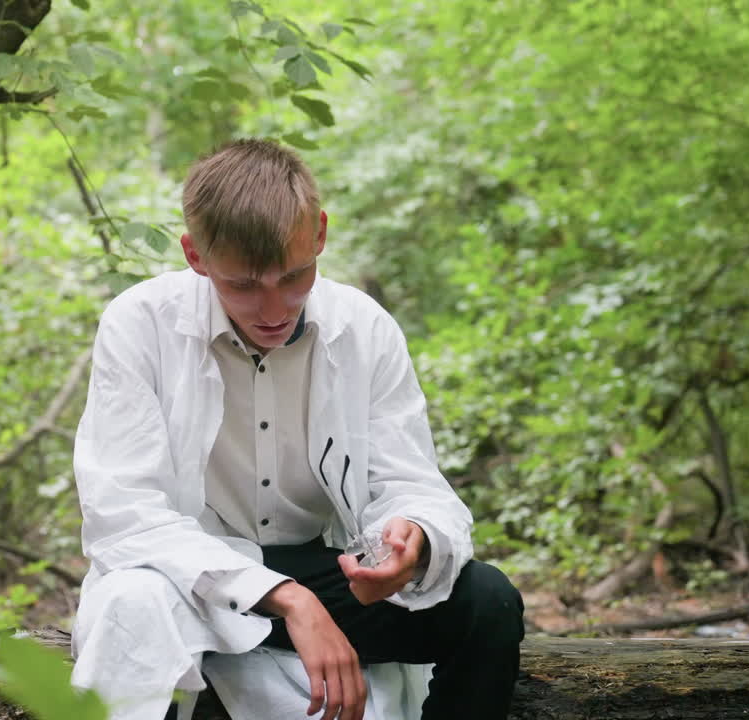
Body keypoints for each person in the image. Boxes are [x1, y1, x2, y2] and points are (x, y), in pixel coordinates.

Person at [69, 139, 524, 720]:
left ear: (321, 236)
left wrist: (413, 534)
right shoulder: (140, 325)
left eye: (295, 275)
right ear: (195, 255)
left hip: (330, 573)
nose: (274, 308)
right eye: (243, 285)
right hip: (190, 580)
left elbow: (411, 480)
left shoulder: (365, 328)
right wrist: (288, 601)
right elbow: (123, 515)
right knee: (132, 604)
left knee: (487, 599)